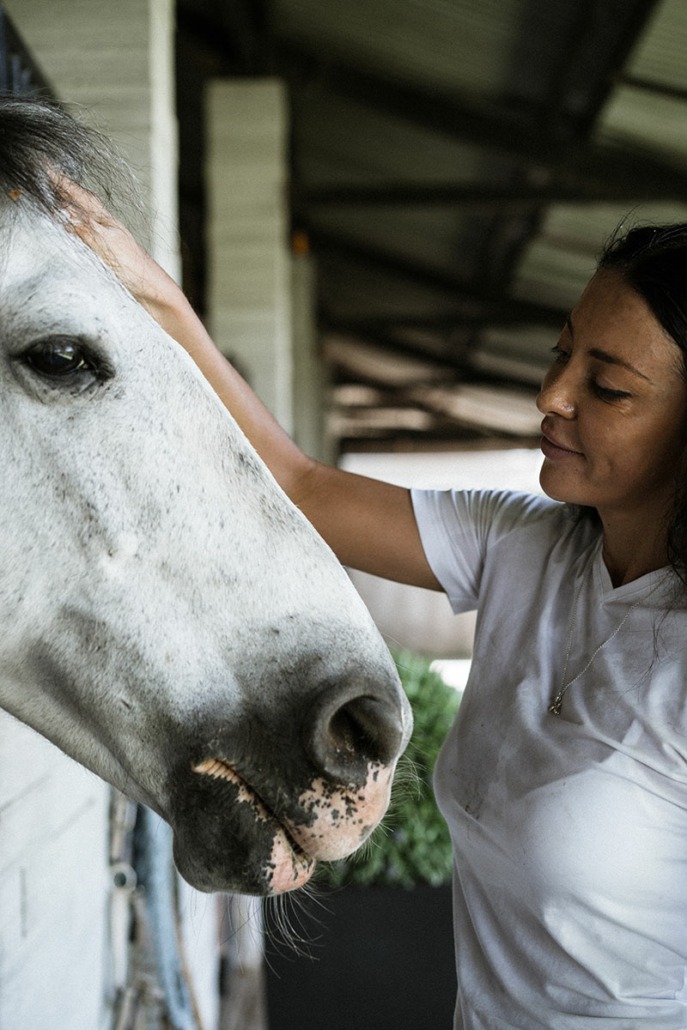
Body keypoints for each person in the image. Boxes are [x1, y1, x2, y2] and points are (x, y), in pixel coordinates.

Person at [68, 186, 687, 1027]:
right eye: (561, 352)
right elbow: (297, 484)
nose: (551, 395)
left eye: (607, 387)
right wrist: (153, 294)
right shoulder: (520, 546)